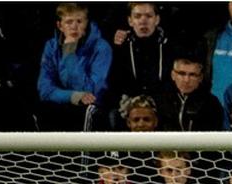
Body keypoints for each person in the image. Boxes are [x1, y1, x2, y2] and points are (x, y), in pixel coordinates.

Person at [37, 2, 112, 130]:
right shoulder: (51, 46)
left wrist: (70, 52)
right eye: (69, 22)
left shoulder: (101, 47)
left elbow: (90, 91)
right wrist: (73, 96)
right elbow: (44, 89)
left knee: (89, 110)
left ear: (86, 23)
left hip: (93, 107)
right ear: (60, 25)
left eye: (79, 21)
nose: (74, 27)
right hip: (63, 104)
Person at [107, 2, 172, 117]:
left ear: (157, 20)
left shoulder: (169, 46)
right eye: (137, 16)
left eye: (148, 16)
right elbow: (115, 83)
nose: (143, 21)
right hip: (129, 104)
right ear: (130, 21)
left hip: (161, 104)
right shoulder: (120, 48)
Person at [155, 56, 225, 131]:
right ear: (173, 75)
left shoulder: (212, 103)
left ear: (200, 78)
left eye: (192, 75)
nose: (186, 80)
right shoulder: (160, 100)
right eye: (182, 74)